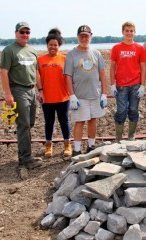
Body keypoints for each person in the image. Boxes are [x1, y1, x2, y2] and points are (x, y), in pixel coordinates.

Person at [0, 21, 44, 176]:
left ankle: (24, 153)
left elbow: (37, 72)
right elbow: (4, 72)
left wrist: (40, 90)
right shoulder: (9, 50)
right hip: (18, 90)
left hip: (32, 90)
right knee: (24, 124)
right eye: (22, 32)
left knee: (29, 123)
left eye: (27, 32)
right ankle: (25, 159)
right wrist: (7, 94)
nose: (25, 35)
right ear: (16, 33)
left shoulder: (32, 51)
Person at [64, 25, 107, 156]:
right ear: (78, 37)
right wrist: (71, 95)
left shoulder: (96, 53)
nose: (84, 38)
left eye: (86, 36)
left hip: (95, 95)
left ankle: (91, 146)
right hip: (79, 96)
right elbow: (67, 76)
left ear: (91, 37)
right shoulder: (71, 54)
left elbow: (102, 75)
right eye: (82, 36)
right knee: (80, 122)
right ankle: (76, 150)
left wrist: (104, 93)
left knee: (93, 120)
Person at [110, 21, 146, 142]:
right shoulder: (116, 48)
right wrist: (112, 84)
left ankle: (131, 135)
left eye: (131, 31)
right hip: (121, 86)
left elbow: (143, 67)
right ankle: (118, 137)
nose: (129, 33)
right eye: (127, 30)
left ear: (135, 32)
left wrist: (143, 85)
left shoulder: (140, 48)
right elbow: (112, 67)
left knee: (133, 109)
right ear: (123, 32)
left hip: (135, 85)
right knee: (121, 111)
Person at [38, 29, 71, 158]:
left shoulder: (64, 58)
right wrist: (40, 91)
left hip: (63, 97)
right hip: (47, 98)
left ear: (59, 46)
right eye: (50, 44)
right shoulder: (40, 60)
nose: (53, 47)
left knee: (64, 121)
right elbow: (37, 78)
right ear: (47, 45)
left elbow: (70, 77)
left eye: (55, 45)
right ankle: (48, 145)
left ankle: (67, 144)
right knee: (49, 122)